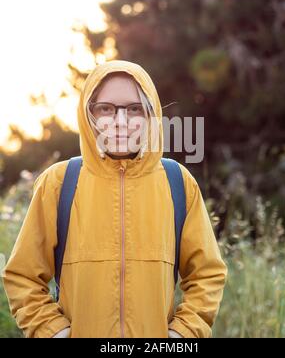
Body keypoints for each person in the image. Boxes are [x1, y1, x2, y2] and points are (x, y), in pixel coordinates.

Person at [2, 60, 227, 338]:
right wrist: (53, 332)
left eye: (134, 109)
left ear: (151, 114)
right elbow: (22, 275)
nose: (120, 122)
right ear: (89, 114)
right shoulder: (59, 183)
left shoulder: (177, 182)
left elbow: (207, 273)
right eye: (106, 109)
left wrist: (182, 334)